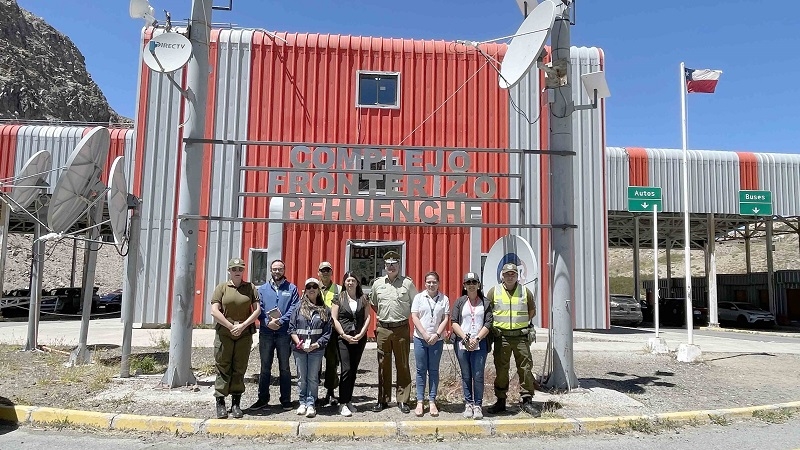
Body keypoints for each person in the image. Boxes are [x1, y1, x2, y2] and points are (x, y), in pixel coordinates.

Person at [209, 258, 262, 419]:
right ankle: (220, 403)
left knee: (239, 368)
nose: (237, 271)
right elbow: (214, 310)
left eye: (240, 268)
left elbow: (257, 310)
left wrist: (243, 325)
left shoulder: (250, 287)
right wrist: (231, 326)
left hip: (244, 333)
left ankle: (236, 404)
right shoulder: (222, 288)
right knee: (223, 366)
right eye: (234, 269)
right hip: (225, 332)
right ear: (229, 271)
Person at [486, 263, 539, 416]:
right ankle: (501, 401)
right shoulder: (494, 291)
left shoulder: (525, 291)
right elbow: (488, 312)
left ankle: (527, 401)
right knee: (501, 370)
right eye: (507, 274)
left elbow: (532, 310)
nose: (510, 276)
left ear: (517, 275)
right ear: (502, 275)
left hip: (521, 337)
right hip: (501, 337)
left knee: (525, 368)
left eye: (513, 274)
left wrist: (519, 323)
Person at [369, 250, 418, 413]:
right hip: (383, 328)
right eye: (389, 264)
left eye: (394, 264)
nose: (391, 267)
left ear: (399, 265)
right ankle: (382, 399)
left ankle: (403, 400)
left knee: (402, 364)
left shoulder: (407, 284)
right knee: (383, 364)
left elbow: (415, 305)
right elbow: (374, 304)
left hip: (401, 328)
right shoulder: (377, 284)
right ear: (385, 266)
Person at [250, 259, 300, 411]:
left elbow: (294, 308)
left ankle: (285, 400)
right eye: (274, 269)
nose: (277, 271)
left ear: (284, 270)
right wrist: (266, 322)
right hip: (266, 333)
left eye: (280, 269)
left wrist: (281, 321)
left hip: (284, 333)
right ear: (270, 271)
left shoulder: (292, 288)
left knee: (284, 367)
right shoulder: (262, 289)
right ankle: (262, 399)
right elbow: (258, 308)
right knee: (265, 367)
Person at [451, 272, 493, 420]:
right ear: (464, 286)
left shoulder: (485, 303)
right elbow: (454, 321)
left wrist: (477, 339)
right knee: (466, 374)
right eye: (468, 283)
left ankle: (478, 405)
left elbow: (488, 323)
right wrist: (465, 338)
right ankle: (468, 403)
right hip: (463, 343)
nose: (471, 285)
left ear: (478, 285)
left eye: (474, 282)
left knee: (478, 374)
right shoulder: (460, 302)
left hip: (479, 344)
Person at [288, 278, 332, 418]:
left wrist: (316, 345)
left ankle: (311, 403)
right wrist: (298, 342)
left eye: (314, 286)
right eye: (308, 287)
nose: (311, 289)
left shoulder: (325, 309)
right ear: (305, 290)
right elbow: (291, 328)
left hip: (316, 350)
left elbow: (327, 332)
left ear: (319, 290)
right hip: (299, 349)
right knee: (302, 378)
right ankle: (302, 402)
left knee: (313, 378)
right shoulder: (298, 307)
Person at [330, 271, 371, 417]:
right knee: (346, 369)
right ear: (344, 283)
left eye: (353, 280)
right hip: (343, 338)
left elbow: (367, 317)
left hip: (359, 338)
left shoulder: (364, 298)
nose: (350, 283)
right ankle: (342, 403)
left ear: (357, 283)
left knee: (353, 370)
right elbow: (334, 319)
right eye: (348, 280)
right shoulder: (338, 298)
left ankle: (348, 400)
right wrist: (343, 335)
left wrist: (361, 334)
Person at [410, 271, 450, 417]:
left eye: (434, 282)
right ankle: (420, 401)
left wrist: (437, 334)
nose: (431, 285)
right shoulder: (419, 298)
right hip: (420, 338)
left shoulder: (444, 299)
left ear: (438, 283)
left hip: (436, 340)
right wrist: (425, 334)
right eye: (429, 282)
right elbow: (414, 316)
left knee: (433, 370)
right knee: (421, 370)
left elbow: (446, 318)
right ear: (425, 283)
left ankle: (432, 400)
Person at [317, 261, 341, 406]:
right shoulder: (312, 286)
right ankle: (313, 393)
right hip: (316, 331)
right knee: (315, 363)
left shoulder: (338, 289)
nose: (325, 273)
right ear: (318, 273)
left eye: (328, 270)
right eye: (322, 270)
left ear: (331, 272)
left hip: (332, 331)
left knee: (332, 363)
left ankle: (330, 392)